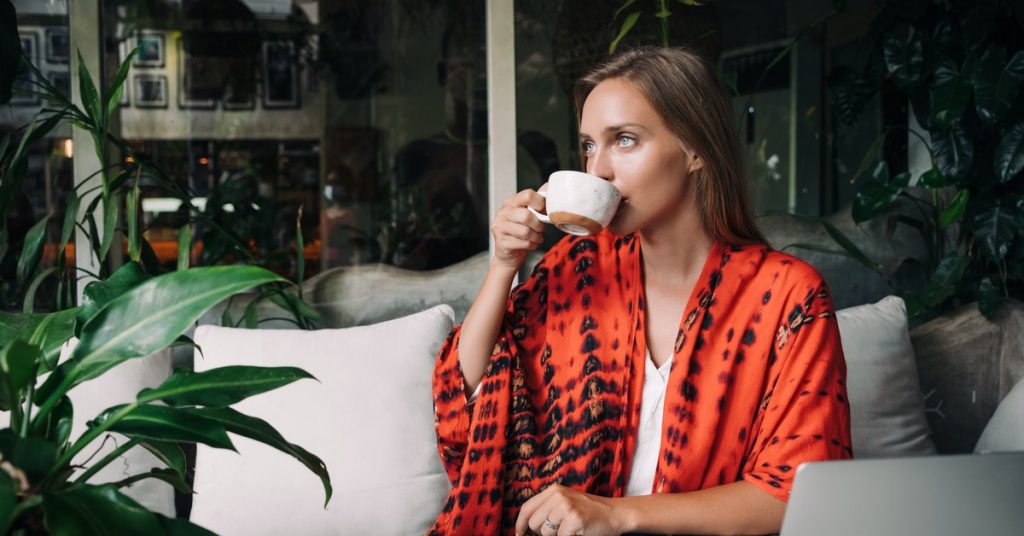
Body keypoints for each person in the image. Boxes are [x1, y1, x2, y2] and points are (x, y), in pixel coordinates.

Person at [430, 47, 851, 535]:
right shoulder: (579, 271)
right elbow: (467, 400)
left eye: (624, 140)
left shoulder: (786, 297)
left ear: (696, 149)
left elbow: (797, 490)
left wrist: (615, 513)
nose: (599, 170)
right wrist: (503, 266)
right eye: (589, 145)